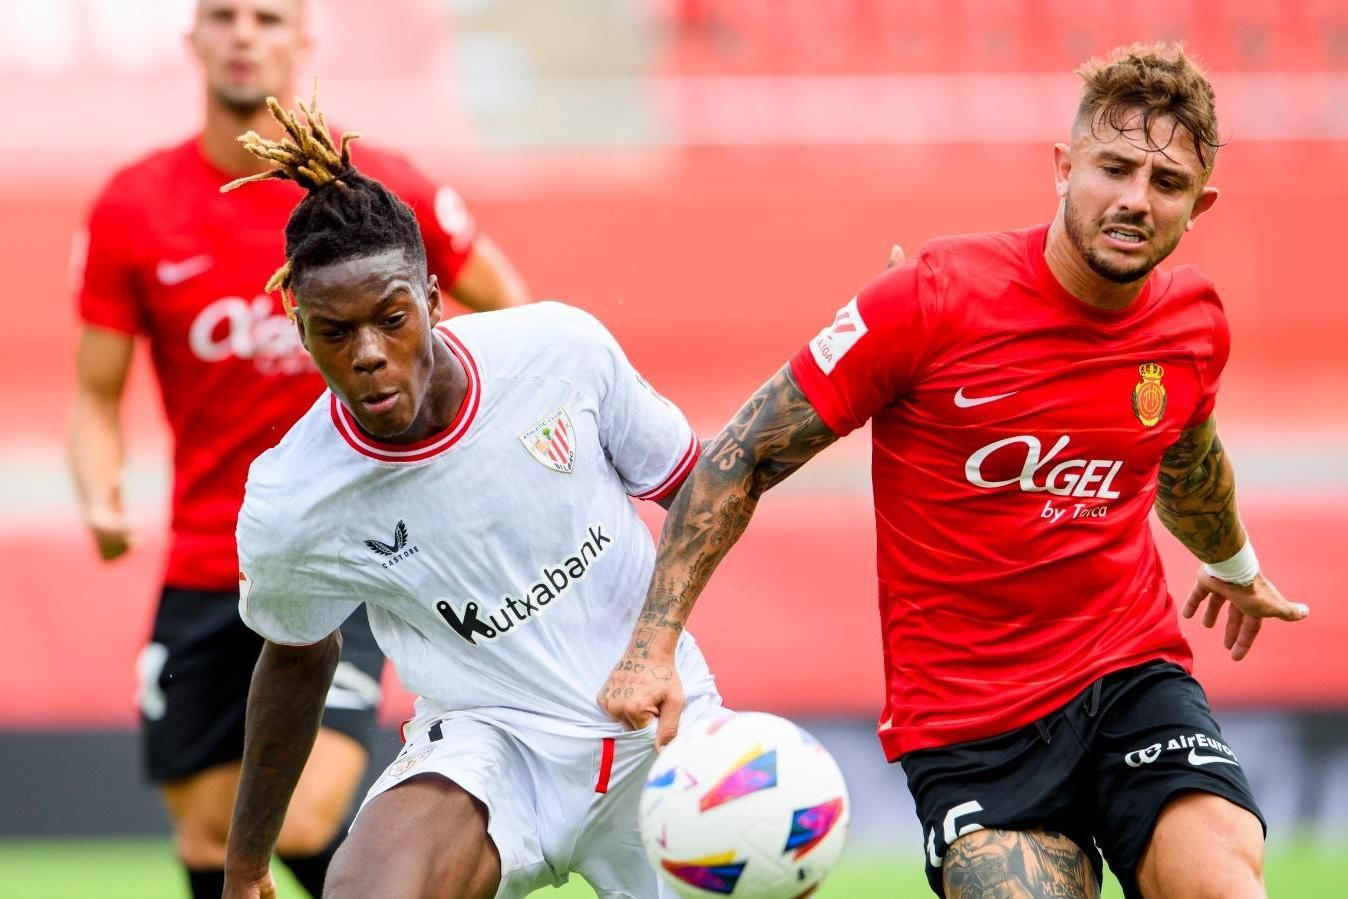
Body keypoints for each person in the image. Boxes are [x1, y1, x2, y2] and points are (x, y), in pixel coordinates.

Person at [599, 42, 1310, 899]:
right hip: (971, 725)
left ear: (1201, 203)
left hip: (1130, 677)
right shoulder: (930, 299)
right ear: (1062, 166)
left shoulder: (1194, 322)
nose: (1134, 199)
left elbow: (1187, 458)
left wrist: (1235, 566)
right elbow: (743, 455)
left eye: (1165, 184)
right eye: (1114, 167)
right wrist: (652, 647)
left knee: (1224, 883)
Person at [67, 2, 528, 897]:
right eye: (223, 15)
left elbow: (512, 320)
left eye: (269, 17)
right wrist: (100, 490)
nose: (245, 34)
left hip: (356, 549)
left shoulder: (382, 192)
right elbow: (94, 394)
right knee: (210, 838)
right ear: (192, 38)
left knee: (308, 813)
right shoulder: (134, 207)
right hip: (209, 564)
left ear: (303, 42)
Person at [220, 92, 719, 899]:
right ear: (299, 327)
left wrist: (655, 645)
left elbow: (695, 486)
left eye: (391, 317)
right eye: (335, 333)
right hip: (494, 747)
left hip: (657, 724)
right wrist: (244, 868)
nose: (370, 355)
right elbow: (298, 653)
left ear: (432, 298)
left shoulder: (559, 349)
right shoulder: (293, 499)